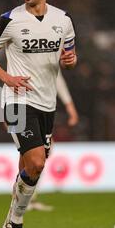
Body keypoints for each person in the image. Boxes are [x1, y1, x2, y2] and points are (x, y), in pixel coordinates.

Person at [0, 0, 77, 228]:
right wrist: (7, 78)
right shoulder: (9, 19)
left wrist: (70, 61)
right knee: (36, 162)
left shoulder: (63, 20)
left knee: (28, 168)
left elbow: (69, 56)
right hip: (16, 100)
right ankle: (16, 226)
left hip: (47, 103)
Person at [27, 71, 79, 211]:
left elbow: (57, 78)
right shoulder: (33, 55)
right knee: (33, 152)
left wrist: (70, 106)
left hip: (40, 107)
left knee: (39, 152)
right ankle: (24, 199)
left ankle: (27, 198)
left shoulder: (49, 55)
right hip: (25, 105)